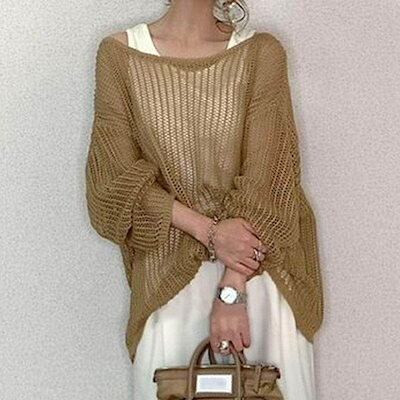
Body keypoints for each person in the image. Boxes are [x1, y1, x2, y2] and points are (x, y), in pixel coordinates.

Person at [85, 1, 324, 399]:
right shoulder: (119, 55)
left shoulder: (261, 52)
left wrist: (232, 289)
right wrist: (210, 231)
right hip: (167, 286)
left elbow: (269, 178)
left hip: (259, 280)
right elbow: (111, 186)